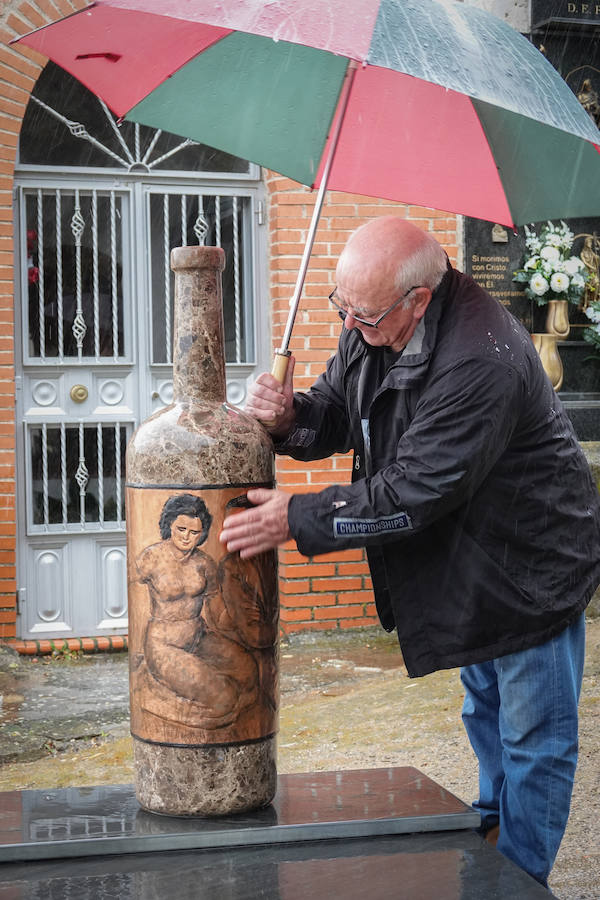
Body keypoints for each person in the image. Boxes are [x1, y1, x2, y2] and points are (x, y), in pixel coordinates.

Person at [220, 217, 600, 886]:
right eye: (340, 307)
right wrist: (288, 418)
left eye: (360, 315)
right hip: (469, 563)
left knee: (533, 745)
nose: (348, 326)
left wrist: (299, 518)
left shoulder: (482, 357)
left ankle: (517, 880)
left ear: (419, 299)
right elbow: (336, 412)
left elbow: (410, 493)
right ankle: (490, 844)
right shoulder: (377, 319)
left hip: (528, 569)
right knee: (485, 717)